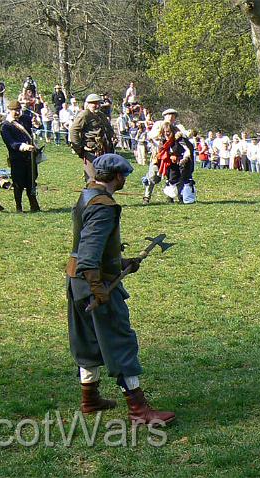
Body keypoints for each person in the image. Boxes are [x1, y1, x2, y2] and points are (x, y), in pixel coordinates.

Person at [66, 153, 175, 425]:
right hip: (94, 283)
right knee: (119, 341)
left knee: (89, 340)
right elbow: (90, 251)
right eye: (124, 175)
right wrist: (98, 288)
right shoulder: (104, 206)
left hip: (77, 280)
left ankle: (89, 399)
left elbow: (88, 247)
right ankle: (139, 410)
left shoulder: (88, 194)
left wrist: (119, 263)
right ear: (117, 177)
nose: (125, 179)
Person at [0, 100, 40, 213]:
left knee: (31, 181)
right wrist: (24, 146)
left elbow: (35, 125)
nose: (17, 112)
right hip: (17, 158)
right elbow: (11, 143)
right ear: (10, 111)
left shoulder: (25, 119)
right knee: (18, 183)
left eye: (18, 110)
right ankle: (19, 206)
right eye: (15, 110)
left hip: (30, 156)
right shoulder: (5, 126)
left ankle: (34, 204)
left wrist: (36, 121)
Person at [142, 108, 186, 204]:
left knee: (172, 178)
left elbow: (184, 137)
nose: (170, 117)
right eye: (168, 115)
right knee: (153, 177)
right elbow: (151, 135)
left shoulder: (177, 128)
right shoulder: (158, 124)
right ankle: (146, 196)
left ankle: (171, 197)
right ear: (165, 116)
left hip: (171, 158)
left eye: (173, 115)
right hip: (158, 156)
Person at [69, 93, 116, 182]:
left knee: (105, 178)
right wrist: (79, 148)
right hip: (92, 151)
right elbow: (73, 131)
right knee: (92, 180)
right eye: (94, 103)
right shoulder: (84, 115)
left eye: (98, 103)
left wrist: (112, 137)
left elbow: (109, 129)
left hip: (104, 151)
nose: (97, 105)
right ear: (88, 104)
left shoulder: (101, 115)